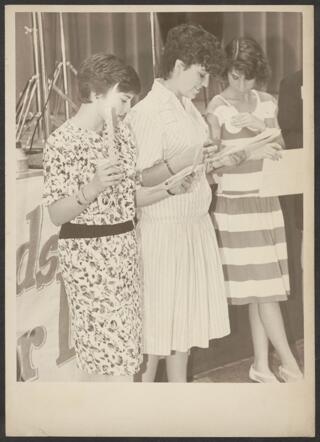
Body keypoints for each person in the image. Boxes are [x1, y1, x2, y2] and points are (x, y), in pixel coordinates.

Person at [43, 53, 193, 382]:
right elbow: (56, 213)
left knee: (125, 353)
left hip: (124, 250)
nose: (126, 110)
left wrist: (170, 190)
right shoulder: (62, 142)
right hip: (89, 257)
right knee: (106, 357)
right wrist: (93, 187)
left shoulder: (121, 135)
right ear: (99, 93)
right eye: (123, 100)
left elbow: (127, 199)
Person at [127, 24, 230, 382]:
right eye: (201, 74)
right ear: (180, 65)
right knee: (155, 334)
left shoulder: (187, 107)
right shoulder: (149, 111)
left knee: (182, 332)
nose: (204, 83)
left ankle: (178, 403)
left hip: (192, 229)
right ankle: (138, 415)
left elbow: (193, 165)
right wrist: (185, 158)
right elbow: (140, 178)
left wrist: (216, 161)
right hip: (163, 233)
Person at [206, 37, 303, 382]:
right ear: (224, 73)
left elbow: (280, 146)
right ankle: (291, 365)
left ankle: (261, 366)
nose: (242, 85)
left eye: (248, 77)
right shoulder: (216, 108)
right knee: (263, 290)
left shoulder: (266, 102)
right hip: (237, 205)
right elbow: (212, 167)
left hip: (267, 201)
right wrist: (249, 153)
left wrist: (263, 130)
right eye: (235, 76)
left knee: (262, 290)